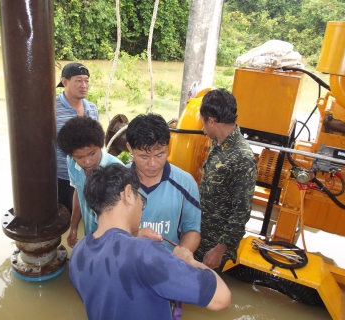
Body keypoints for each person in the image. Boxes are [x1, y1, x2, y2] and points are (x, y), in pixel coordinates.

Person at [69, 163, 231, 320]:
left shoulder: (78, 253)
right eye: (142, 199)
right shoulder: (145, 253)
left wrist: (133, 238)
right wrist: (187, 260)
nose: (141, 207)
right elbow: (221, 297)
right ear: (128, 194)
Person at [194, 88, 257, 271]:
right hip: (200, 234)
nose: (202, 127)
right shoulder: (218, 142)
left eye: (203, 121)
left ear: (212, 121)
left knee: (207, 296)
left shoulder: (242, 158)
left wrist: (219, 250)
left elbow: (241, 212)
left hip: (213, 246)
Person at [125, 113, 201, 253]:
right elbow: (105, 231)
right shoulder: (117, 183)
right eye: (144, 157)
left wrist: (175, 262)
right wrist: (135, 234)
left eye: (160, 155)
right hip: (126, 264)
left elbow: (192, 231)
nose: (153, 164)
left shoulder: (186, 183)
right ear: (129, 148)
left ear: (169, 145)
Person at [57, 116, 122, 247]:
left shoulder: (117, 171)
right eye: (79, 157)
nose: (87, 162)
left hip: (112, 241)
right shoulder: (71, 162)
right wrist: (74, 227)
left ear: (100, 146)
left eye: (92, 153)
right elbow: (78, 191)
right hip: (89, 235)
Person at [56, 62, 98, 214]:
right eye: (78, 80)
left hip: (89, 175)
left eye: (86, 80)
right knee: (65, 217)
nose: (84, 85)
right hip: (63, 178)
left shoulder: (92, 108)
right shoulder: (52, 109)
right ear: (64, 82)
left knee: (89, 216)